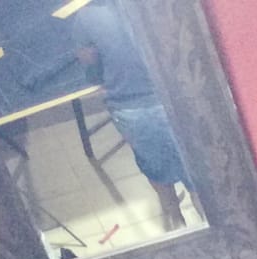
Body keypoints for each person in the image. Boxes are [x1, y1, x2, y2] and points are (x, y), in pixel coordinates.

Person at [69, 0, 197, 231]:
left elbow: (88, 60)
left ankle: (175, 219)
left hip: (130, 107)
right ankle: (211, 222)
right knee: (195, 173)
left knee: (155, 167)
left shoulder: (86, 17)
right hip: (174, 99)